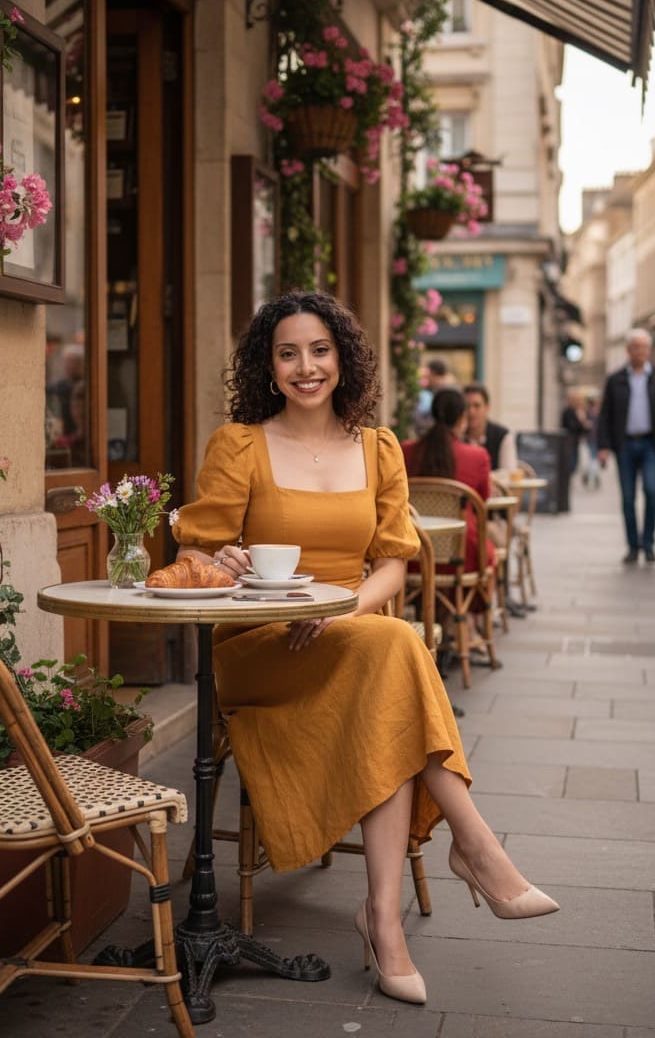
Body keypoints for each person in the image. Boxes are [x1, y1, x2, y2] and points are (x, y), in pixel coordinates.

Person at [173, 292, 558, 1005]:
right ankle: (475, 848)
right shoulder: (240, 445)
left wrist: (340, 606)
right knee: (396, 652)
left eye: (320, 350)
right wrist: (220, 557)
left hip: (349, 629)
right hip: (260, 642)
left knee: (385, 661)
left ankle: (384, 918)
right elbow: (196, 543)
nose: (306, 367)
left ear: (344, 359)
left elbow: (392, 564)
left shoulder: (378, 448)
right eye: (287, 353)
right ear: (268, 365)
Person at [401, 387, 496, 575]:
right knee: (492, 556)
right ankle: (476, 604)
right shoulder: (477, 456)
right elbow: (482, 501)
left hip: (414, 552)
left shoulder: (406, 451)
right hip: (462, 556)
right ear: (462, 419)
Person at [597, 328, 655, 564]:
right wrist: (603, 446)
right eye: (635, 347)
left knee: (651, 491)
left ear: (649, 351)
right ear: (628, 350)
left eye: (643, 347)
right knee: (628, 498)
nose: (640, 351)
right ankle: (633, 546)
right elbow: (605, 415)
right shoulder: (615, 379)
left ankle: (648, 543)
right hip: (625, 444)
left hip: (651, 443)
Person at [462, 383, 517, 472]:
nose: (471, 411)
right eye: (467, 406)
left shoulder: (502, 436)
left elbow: (509, 472)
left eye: (477, 406)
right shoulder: (456, 436)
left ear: (487, 407)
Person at [413, 357, 459, 436]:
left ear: (433, 373)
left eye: (428, 374)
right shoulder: (452, 389)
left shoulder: (440, 392)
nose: (427, 378)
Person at [560, 389, 587, 477]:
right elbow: (571, 427)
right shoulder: (569, 411)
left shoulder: (577, 411)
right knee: (571, 464)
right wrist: (581, 421)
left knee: (574, 464)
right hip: (569, 441)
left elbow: (583, 430)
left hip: (575, 441)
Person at [581, 394, 601, 488]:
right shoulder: (588, 412)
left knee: (593, 458)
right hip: (591, 438)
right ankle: (594, 476)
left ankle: (590, 475)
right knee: (593, 458)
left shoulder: (599, 412)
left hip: (597, 438)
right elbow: (584, 424)